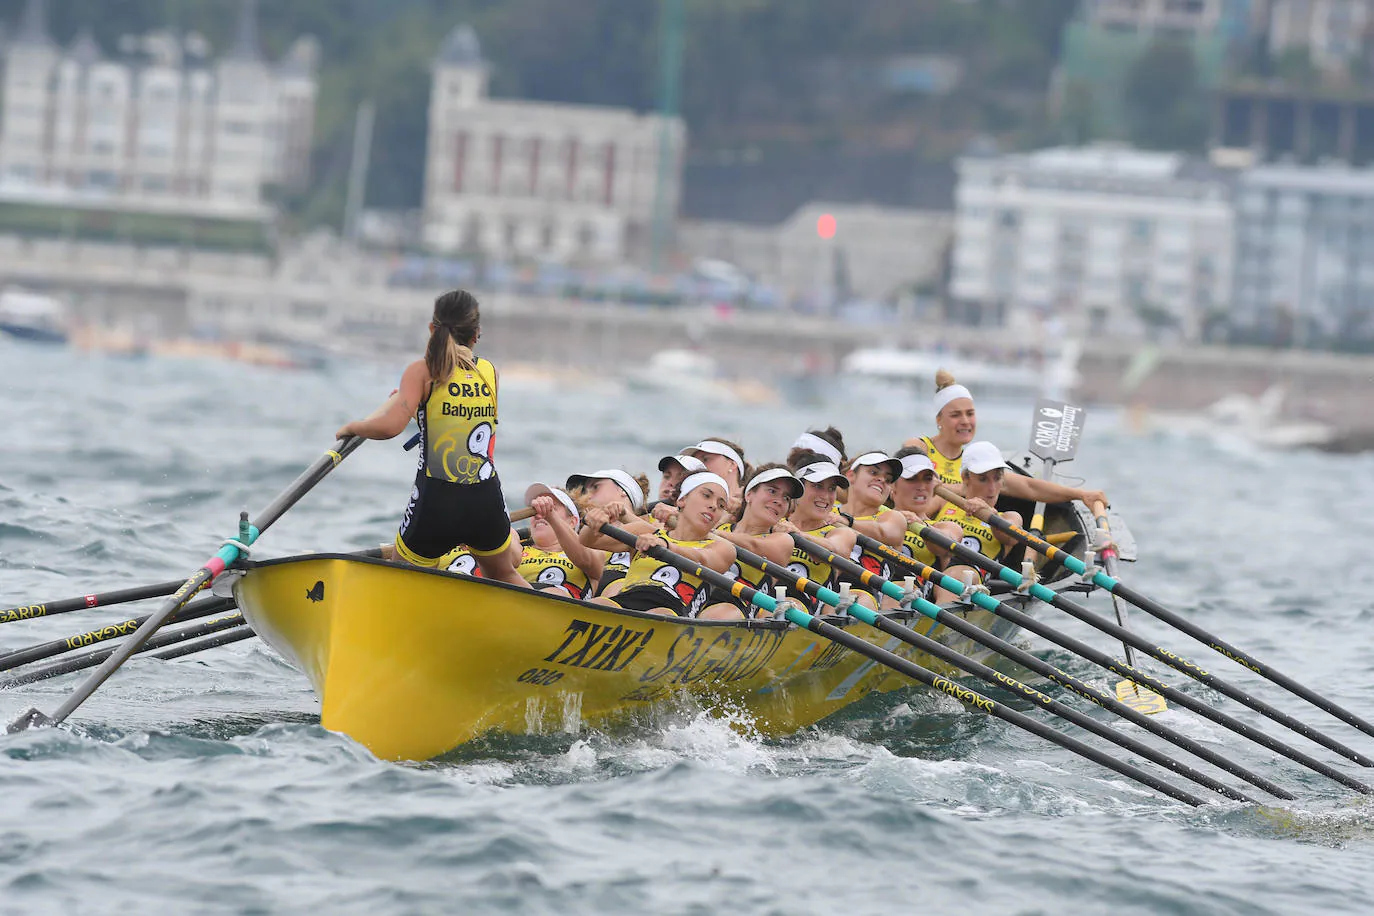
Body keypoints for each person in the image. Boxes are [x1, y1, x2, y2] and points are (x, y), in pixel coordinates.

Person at [335, 289, 527, 588]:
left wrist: (354, 427)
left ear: (431, 329)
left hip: (438, 499)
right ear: (477, 334)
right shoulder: (489, 372)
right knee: (503, 574)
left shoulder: (423, 370)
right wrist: (418, 410)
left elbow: (390, 427)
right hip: (485, 495)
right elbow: (466, 424)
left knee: (400, 577)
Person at [903, 370, 1108, 508]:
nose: (965, 421)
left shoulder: (976, 461)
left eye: (970, 413)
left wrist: (1080, 495)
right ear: (939, 419)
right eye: (956, 415)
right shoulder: (918, 447)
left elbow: (1030, 487)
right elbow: (919, 487)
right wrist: (969, 489)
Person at [582, 472, 737, 616]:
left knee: (660, 614)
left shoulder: (723, 548)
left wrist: (666, 546)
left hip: (674, 613)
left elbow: (703, 559)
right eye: (706, 495)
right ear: (682, 500)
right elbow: (586, 541)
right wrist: (597, 521)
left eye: (721, 505)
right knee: (599, 603)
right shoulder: (645, 531)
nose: (714, 506)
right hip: (627, 601)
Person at [704, 464, 806, 620]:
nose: (779, 501)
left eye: (786, 498)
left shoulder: (783, 540)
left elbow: (753, 545)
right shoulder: (721, 525)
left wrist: (708, 533)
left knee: (722, 613)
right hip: (700, 600)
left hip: (738, 610)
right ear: (749, 495)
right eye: (772, 491)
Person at [782, 451, 877, 611]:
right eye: (817, 486)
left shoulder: (841, 533)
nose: (825, 496)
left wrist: (798, 535)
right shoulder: (775, 524)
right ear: (797, 488)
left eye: (831, 489)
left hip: (811, 612)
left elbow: (834, 550)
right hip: (770, 605)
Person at [890, 449, 967, 604]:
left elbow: (944, 545)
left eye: (927, 479)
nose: (921, 486)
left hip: (921, 605)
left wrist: (920, 525)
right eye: (912, 479)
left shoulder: (947, 527)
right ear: (892, 486)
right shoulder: (876, 521)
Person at [932, 441, 1023, 569]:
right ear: (965, 477)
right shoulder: (943, 501)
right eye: (983, 479)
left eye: (997, 478)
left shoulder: (1010, 518)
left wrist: (991, 515)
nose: (992, 488)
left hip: (970, 581)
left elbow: (1010, 537)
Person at [564, 468, 650, 597]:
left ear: (622, 491)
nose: (587, 495)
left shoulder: (655, 526)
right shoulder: (578, 532)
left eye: (595, 487)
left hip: (631, 590)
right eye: (584, 491)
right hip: (593, 590)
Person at [519, 483, 605, 598]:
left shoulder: (594, 551)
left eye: (552, 508)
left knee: (554, 593)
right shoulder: (517, 547)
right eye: (534, 510)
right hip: (514, 598)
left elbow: (586, 560)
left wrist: (550, 516)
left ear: (572, 522)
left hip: (561, 606)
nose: (538, 514)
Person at [840, 451, 906, 581]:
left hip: (867, 594)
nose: (882, 480)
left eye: (888, 480)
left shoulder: (893, 518)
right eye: (873, 473)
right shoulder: (829, 513)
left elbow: (882, 532)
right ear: (851, 475)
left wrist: (848, 522)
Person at [681, 438, 748, 499]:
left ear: (732, 465)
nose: (698, 465)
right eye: (694, 461)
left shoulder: (750, 505)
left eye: (705, 459)